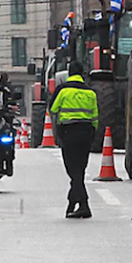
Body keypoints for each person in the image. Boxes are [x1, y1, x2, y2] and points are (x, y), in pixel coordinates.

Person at [50, 61, 98, 219]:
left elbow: (52, 109)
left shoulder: (62, 90)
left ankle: (84, 204)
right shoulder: (90, 93)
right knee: (80, 170)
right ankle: (72, 203)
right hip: (86, 134)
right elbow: (95, 118)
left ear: (69, 73)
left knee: (73, 170)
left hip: (69, 133)